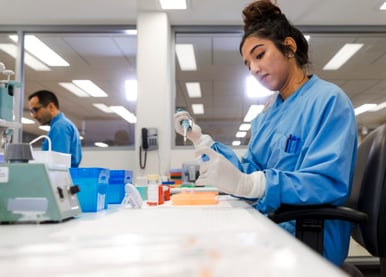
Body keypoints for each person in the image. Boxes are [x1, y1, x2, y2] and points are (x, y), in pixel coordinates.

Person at [174, 0, 357, 267]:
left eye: (259, 55)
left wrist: (259, 185)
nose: (254, 69)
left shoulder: (328, 101)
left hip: (309, 238)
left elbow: (326, 183)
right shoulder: (267, 116)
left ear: (289, 47)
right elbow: (247, 172)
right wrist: (202, 141)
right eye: (248, 64)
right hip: (271, 226)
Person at [28, 90, 82, 168]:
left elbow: (58, 165)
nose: (33, 116)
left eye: (35, 110)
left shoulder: (60, 127)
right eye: (31, 112)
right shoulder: (61, 125)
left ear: (51, 106)